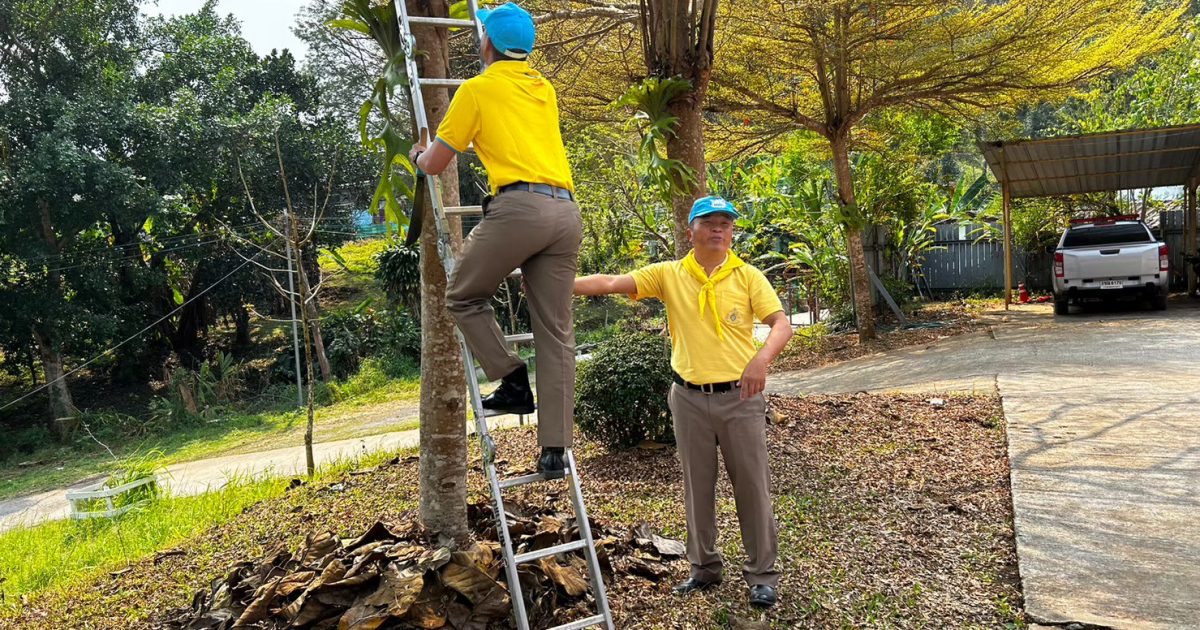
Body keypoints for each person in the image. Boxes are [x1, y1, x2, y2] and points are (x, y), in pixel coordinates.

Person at [573, 196, 793, 608]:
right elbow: (611, 282)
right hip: (688, 398)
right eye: (709, 222)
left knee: (752, 486)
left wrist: (761, 360)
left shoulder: (748, 276)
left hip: (741, 398)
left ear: (732, 232)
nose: (718, 228)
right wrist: (555, 282)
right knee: (697, 487)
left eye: (725, 223)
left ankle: (762, 575)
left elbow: (781, 324)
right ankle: (704, 568)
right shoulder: (669, 274)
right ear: (690, 231)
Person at [410, 2, 580, 480]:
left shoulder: (476, 90)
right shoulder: (543, 88)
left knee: (463, 295)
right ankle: (554, 450)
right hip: (566, 213)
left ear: (485, 42)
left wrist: (419, 154)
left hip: (520, 209)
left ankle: (511, 378)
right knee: (555, 332)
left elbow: (437, 163)